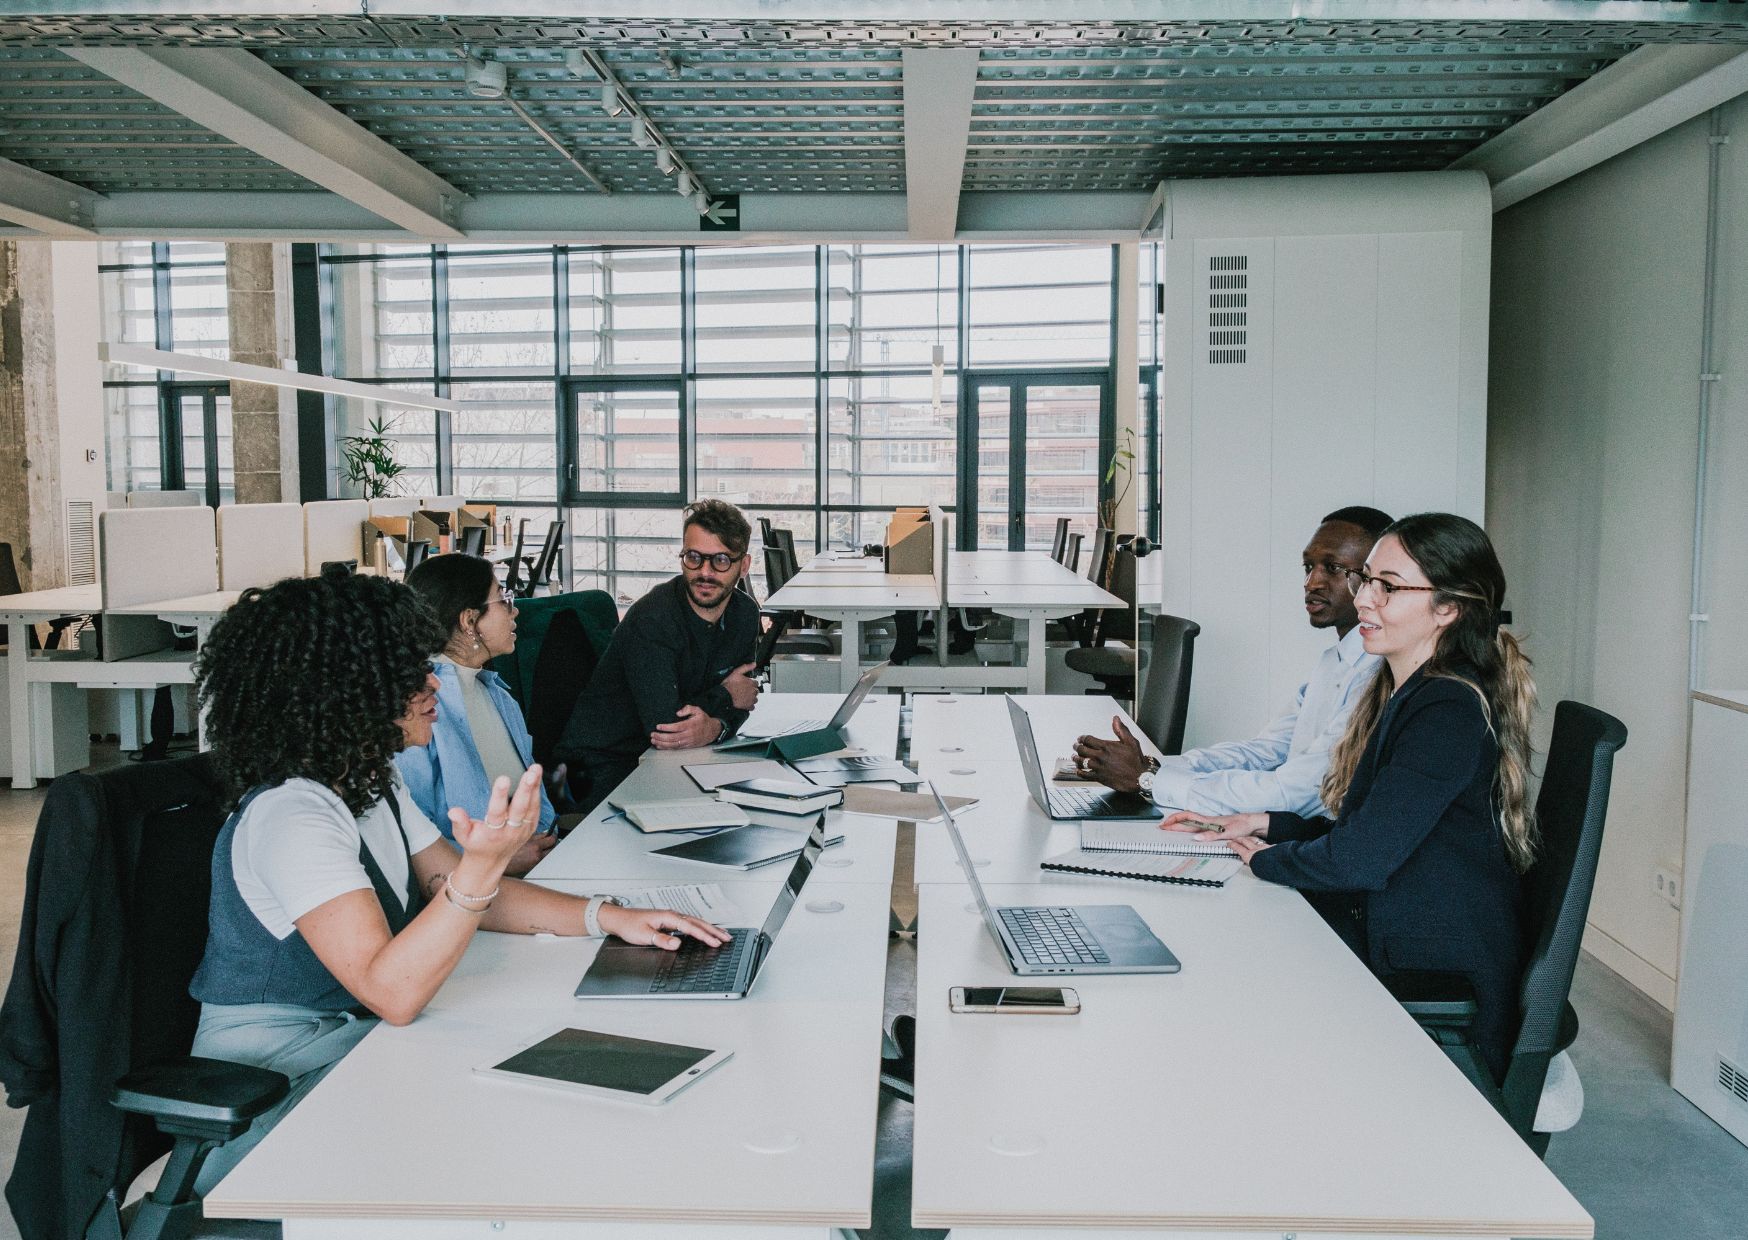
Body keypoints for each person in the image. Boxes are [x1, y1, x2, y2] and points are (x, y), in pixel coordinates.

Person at [186, 569, 728, 1190]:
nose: (430, 682)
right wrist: (484, 865)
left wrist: (607, 916)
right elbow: (391, 989)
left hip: (351, 1045)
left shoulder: (365, 783)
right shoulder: (293, 816)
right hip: (274, 1090)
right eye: (405, 672)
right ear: (343, 689)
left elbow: (448, 881)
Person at [1170, 513, 1536, 1080]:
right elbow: (1369, 830)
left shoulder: (1448, 710)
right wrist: (1267, 824)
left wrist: (1268, 860)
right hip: (1399, 918)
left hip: (1429, 954)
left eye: (1389, 586)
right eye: (1366, 580)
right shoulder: (1410, 691)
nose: (1365, 599)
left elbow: (1360, 858)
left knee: (1230, 963)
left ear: (1448, 607)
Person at [1072, 505, 1393, 816]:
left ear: (1373, 579)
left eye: (1333, 569)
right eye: (1309, 567)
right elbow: (1265, 753)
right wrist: (1152, 765)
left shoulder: (1376, 674)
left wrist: (1149, 779)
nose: (1312, 583)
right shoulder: (1333, 662)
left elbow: (1301, 792)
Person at [556, 498, 762, 811]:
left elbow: (743, 702)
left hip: (675, 760)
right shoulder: (653, 618)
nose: (704, 573)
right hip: (605, 765)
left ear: (743, 565)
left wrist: (716, 727)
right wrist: (724, 697)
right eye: (693, 557)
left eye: (720, 560)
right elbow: (666, 728)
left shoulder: (745, 614)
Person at [397, 553, 557, 876]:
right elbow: (411, 839)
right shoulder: (418, 711)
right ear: (469, 621)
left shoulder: (497, 695)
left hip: (545, 867)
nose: (515, 610)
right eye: (503, 599)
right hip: (477, 892)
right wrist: (500, 861)